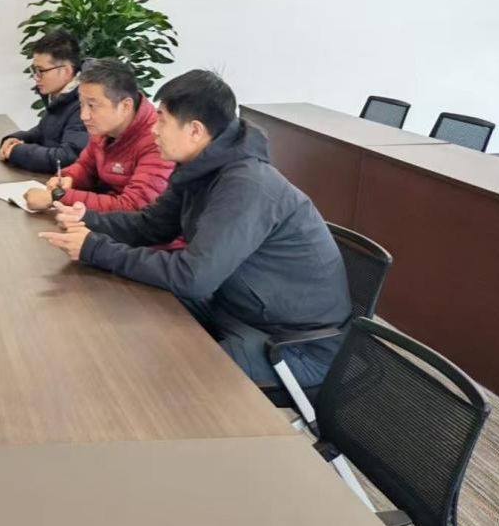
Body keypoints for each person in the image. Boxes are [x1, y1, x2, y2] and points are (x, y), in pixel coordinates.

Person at [39, 69, 351, 390]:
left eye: (162, 120)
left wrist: (95, 248)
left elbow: (193, 277)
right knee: (128, 323)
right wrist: (86, 220)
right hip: (235, 309)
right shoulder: (200, 167)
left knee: (174, 381)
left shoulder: (246, 186)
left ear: (195, 131)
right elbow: (151, 225)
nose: (153, 130)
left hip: (291, 345)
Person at [23, 58, 173, 214]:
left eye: (92, 105)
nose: (84, 116)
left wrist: (58, 196)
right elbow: (86, 165)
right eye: (81, 104)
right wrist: (70, 178)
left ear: (125, 106)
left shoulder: (158, 140)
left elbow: (133, 206)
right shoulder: (104, 129)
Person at [0, 31, 89, 174]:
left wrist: (17, 152)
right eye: (35, 71)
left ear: (66, 71)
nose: (36, 77)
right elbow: (44, 131)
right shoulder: (63, 95)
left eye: (41, 71)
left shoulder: (84, 103)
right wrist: (17, 138)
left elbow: (68, 157)